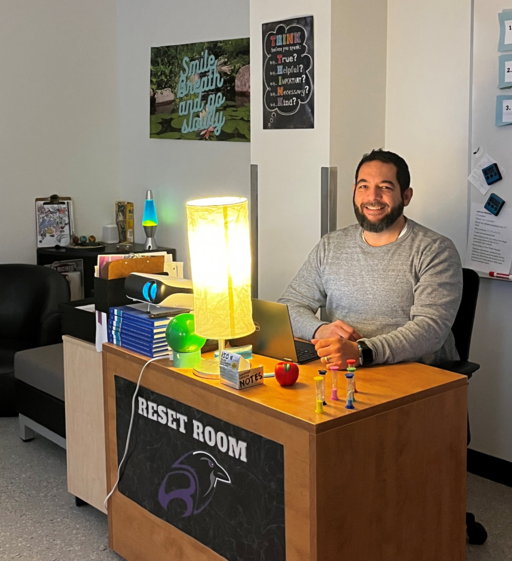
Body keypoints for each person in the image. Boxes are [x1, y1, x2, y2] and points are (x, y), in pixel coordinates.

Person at [278, 149, 463, 369]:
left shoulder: (435, 250)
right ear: (354, 192)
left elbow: (430, 330)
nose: (372, 197)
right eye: (363, 186)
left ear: (406, 196)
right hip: (344, 369)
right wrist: (319, 329)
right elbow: (289, 306)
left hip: (416, 376)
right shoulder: (331, 245)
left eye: (385, 187)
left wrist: (362, 352)